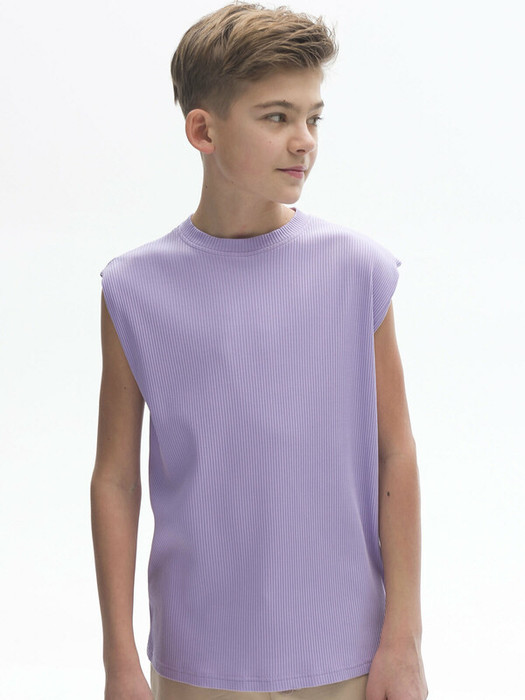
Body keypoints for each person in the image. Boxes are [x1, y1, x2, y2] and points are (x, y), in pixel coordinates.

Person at [90, 3, 428, 699]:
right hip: (194, 660)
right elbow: (116, 480)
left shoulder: (357, 271)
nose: (303, 142)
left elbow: (394, 453)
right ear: (203, 130)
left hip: (344, 654)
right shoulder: (134, 288)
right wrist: (119, 660)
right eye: (277, 117)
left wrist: (404, 639)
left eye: (313, 118)